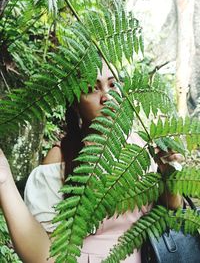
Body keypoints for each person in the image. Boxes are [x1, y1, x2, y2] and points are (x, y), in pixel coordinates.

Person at [0, 59, 183, 263]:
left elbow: (172, 208)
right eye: (92, 89)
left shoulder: (141, 145)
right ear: (76, 104)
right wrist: (5, 181)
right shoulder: (62, 158)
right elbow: (44, 256)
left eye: (113, 85)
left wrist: (170, 176)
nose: (106, 96)